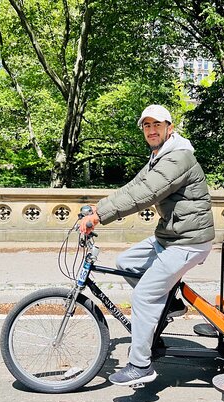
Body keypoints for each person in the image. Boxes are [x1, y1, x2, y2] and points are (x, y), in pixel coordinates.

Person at [78, 104, 215, 386]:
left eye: (157, 125)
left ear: (169, 127)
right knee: (126, 262)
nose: (151, 130)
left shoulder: (178, 157)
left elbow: (147, 193)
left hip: (188, 241)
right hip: (171, 235)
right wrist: (98, 207)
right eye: (147, 126)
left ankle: (140, 365)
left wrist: (100, 217)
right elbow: (133, 186)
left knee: (143, 297)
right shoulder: (159, 155)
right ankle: (172, 302)